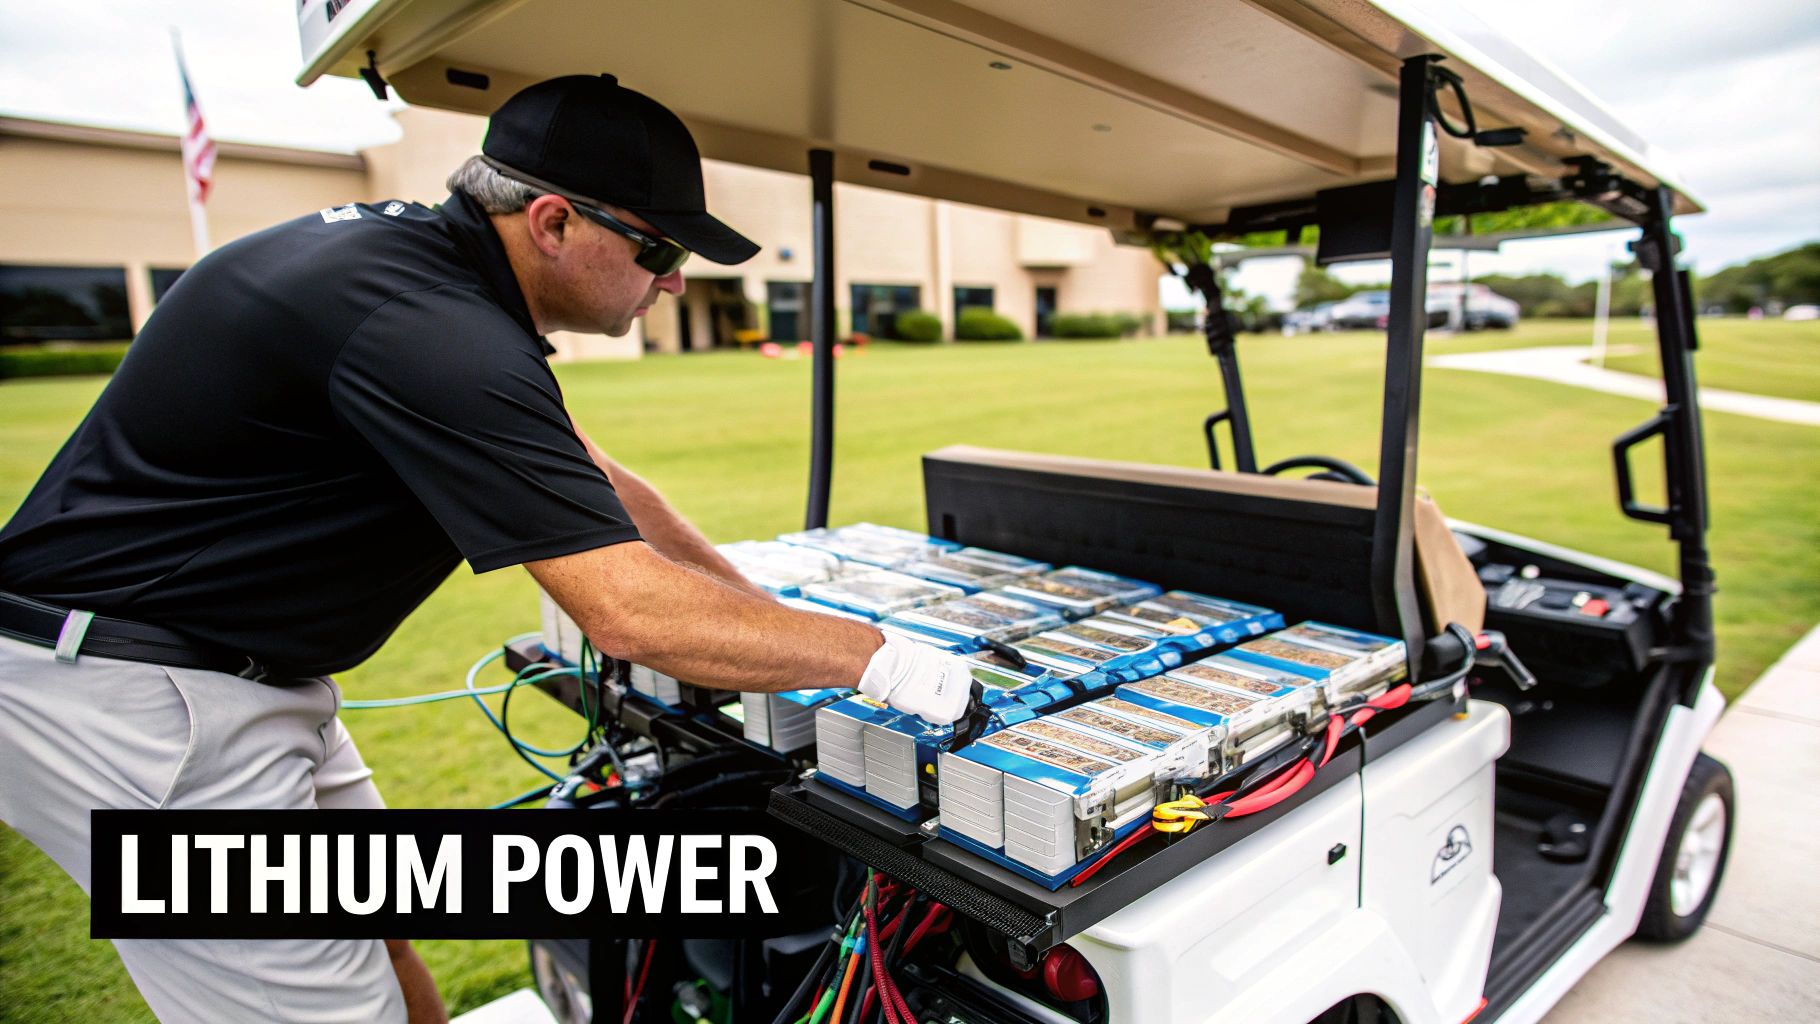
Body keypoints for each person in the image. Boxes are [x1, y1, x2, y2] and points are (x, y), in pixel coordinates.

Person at [0, 74, 971, 1023]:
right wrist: (876, 659)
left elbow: (602, 484)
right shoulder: (429, 325)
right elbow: (626, 611)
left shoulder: (428, 281)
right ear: (552, 222)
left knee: (377, 932)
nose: (675, 280)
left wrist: (753, 607)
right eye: (659, 247)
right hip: (134, 700)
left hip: (232, 673)